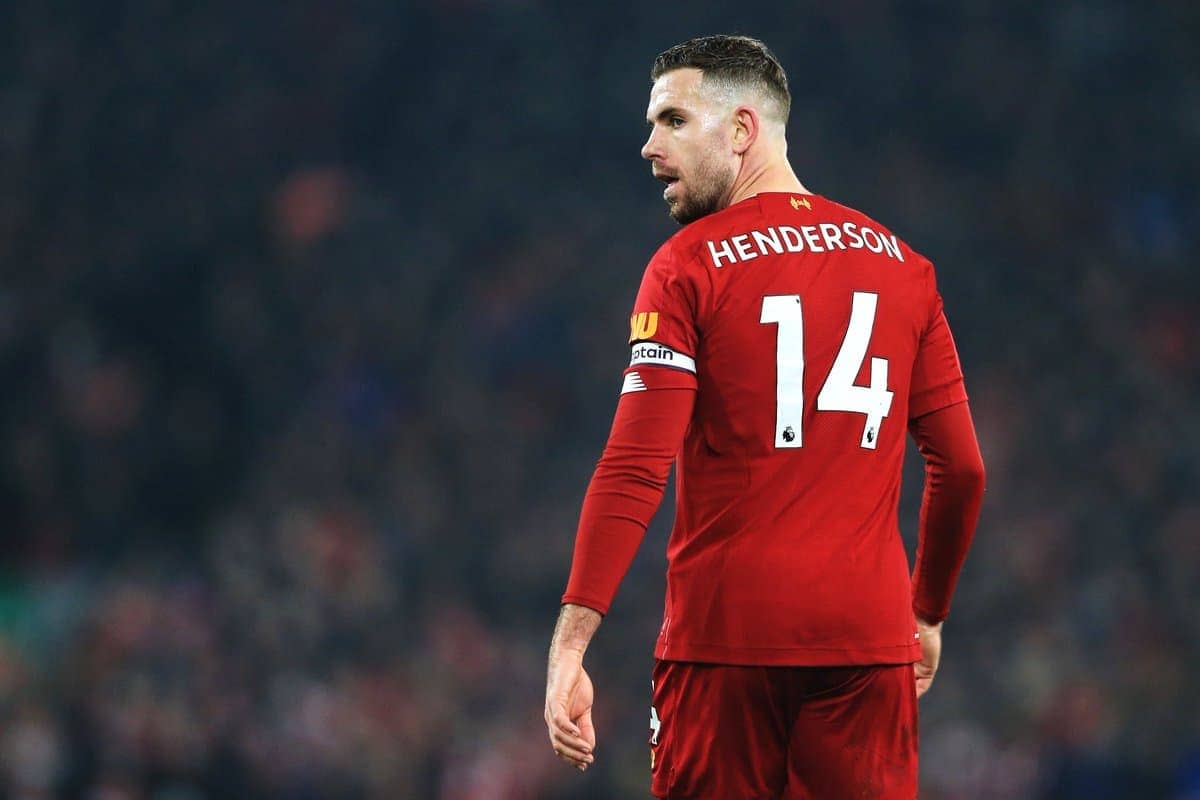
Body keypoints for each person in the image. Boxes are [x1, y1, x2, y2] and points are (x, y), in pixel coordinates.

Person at [544, 34, 985, 799]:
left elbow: (635, 466)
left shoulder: (686, 266)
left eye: (673, 120)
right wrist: (927, 612)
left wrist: (570, 645)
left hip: (725, 647)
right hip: (869, 645)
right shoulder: (906, 269)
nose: (649, 147)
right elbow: (963, 468)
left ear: (743, 129)